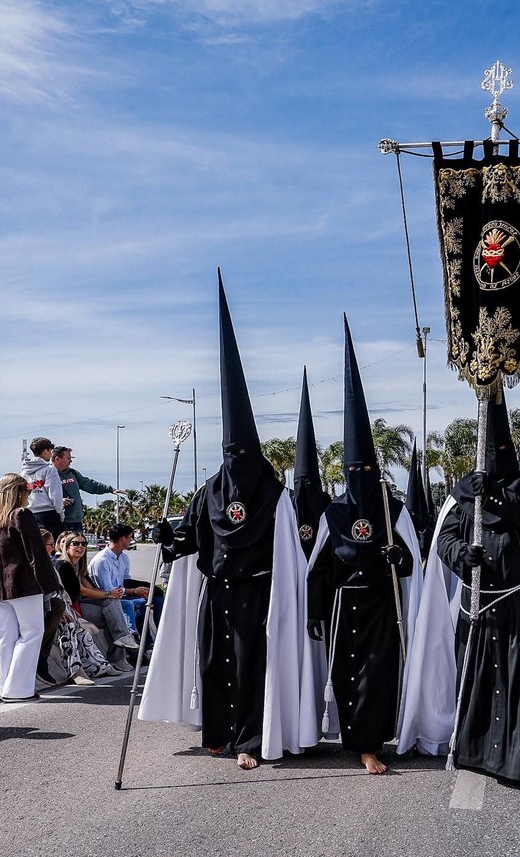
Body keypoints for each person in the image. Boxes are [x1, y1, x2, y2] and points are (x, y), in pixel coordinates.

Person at [143, 272, 308, 768]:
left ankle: (251, 741)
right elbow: (190, 542)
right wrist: (167, 540)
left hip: (258, 590)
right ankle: (216, 734)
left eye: (243, 451)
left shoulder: (276, 496)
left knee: (253, 664)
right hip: (216, 591)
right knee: (214, 664)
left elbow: (288, 551)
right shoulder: (208, 491)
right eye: (229, 451)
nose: (236, 459)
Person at [399, 394, 520, 791]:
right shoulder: (462, 492)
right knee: (478, 678)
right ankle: (476, 753)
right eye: (489, 452)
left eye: (502, 451)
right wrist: (461, 555)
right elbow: (443, 539)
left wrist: (496, 495)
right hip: (476, 603)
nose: (496, 457)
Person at [305, 319, 420, 773]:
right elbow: (318, 567)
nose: (361, 478)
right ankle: (353, 742)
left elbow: (411, 563)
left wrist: (399, 558)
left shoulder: (393, 510)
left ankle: (372, 742)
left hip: (381, 607)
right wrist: (315, 610)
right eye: (353, 471)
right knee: (347, 676)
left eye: (366, 470)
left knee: (376, 676)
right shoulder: (333, 513)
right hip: (341, 608)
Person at [0, 473, 62, 701]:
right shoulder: (21, 515)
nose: (29, 496)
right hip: (23, 585)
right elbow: (36, 553)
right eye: (27, 491)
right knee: (32, 633)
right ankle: (18, 690)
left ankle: (6, 688)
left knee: (6, 636)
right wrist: (51, 584)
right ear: (19, 492)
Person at [38, 530, 116, 685]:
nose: (53, 548)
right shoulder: (54, 565)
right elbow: (50, 593)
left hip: (60, 606)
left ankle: (100, 666)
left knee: (83, 632)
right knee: (70, 628)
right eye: (51, 544)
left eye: (83, 544)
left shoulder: (54, 565)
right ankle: (75, 672)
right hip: (48, 609)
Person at [55, 532, 140, 664]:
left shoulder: (78, 565)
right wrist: (108, 594)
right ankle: (119, 657)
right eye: (75, 543)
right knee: (111, 616)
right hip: (70, 609)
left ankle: (122, 644)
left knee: (112, 608)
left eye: (83, 544)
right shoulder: (63, 565)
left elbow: (92, 588)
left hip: (80, 603)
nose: (80, 546)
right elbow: (83, 591)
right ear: (66, 547)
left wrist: (111, 594)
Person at [291, 370, 332, 558]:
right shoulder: (288, 508)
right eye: (301, 483)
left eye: (309, 483)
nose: (305, 490)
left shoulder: (329, 507)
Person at [88, 525, 150, 637]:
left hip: (120, 595)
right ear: (123, 539)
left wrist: (143, 590)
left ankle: (146, 640)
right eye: (130, 537)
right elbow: (109, 590)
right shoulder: (102, 561)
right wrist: (134, 591)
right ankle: (132, 637)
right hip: (105, 599)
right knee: (129, 604)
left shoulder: (123, 557)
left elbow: (126, 580)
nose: (131, 540)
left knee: (149, 600)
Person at [53, 445, 128, 535]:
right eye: (68, 458)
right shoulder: (49, 475)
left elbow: (90, 485)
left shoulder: (72, 473)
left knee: (77, 546)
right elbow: (42, 496)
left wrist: (111, 489)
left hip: (76, 521)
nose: (71, 461)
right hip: (59, 521)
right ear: (57, 459)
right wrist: (59, 501)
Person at [22, 437, 68, 538]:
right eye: (50, 450)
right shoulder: (50, 469)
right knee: (54, 545)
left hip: (30, 513)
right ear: (45, 451)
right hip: (48, 514)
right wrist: (61, 513)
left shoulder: (24, 471)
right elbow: (55, 495)